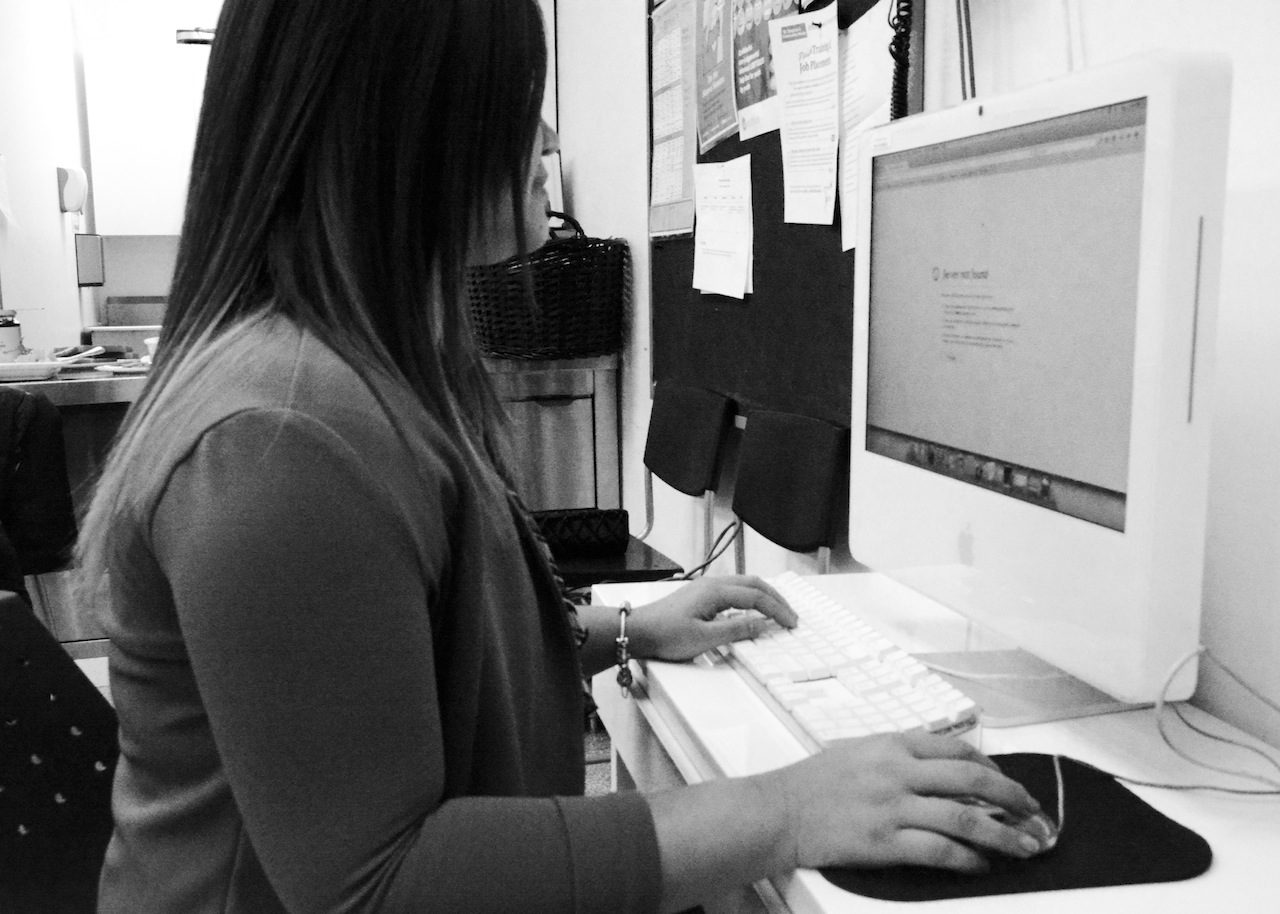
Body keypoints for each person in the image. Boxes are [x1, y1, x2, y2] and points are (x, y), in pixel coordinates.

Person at [78, 2, 1050, 912]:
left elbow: (409, 651)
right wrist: (786, 809)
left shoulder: (367, 369)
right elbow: (377, 882)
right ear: (408, 137)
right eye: (516, 114)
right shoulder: (279, 436)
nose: (545, 152)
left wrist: (618, 629)